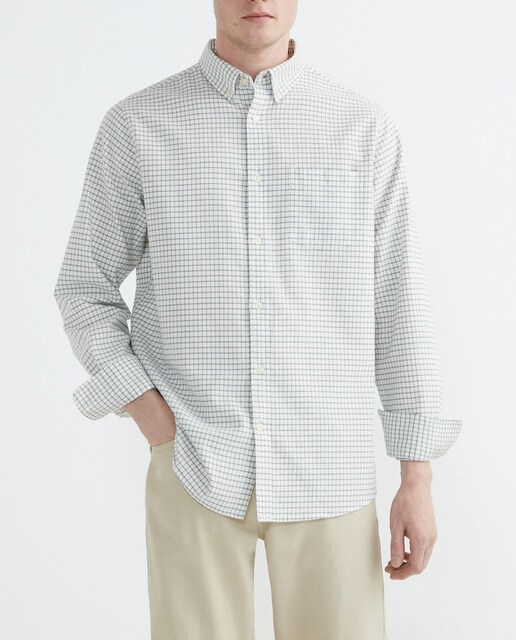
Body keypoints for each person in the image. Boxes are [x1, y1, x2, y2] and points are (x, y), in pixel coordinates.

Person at [53, 1, 463, 638]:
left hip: (329, 466)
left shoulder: (362, 129)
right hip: (194, 460)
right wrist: (152, 415)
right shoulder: (138, 126)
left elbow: (398, 304)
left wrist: (417, 475)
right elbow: (84, 287)